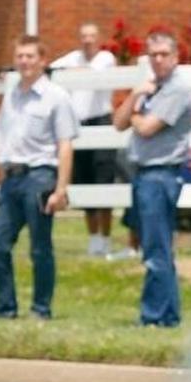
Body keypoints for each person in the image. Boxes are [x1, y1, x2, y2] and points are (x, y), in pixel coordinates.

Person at [0, 35, 78, 320]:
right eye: (20, 56)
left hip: (40, 176)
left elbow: (65, 145)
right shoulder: (11, 95)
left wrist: (60, 189)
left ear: (42, 60)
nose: (24, 61)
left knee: (40, 248)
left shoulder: (56, 97)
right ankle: (5, 307)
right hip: (11, 178)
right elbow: (4, 133)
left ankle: (41, 308)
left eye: (30, 56)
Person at [112, 31, 191, 328]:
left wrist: (134, 115)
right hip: (143, 175)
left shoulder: (177, 90)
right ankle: (168, 315)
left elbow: (146, 128)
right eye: (153, 54)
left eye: (164, 54)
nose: (158, 60)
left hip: (161, 175)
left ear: (175, 57)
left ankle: (153, 316)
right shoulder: (151, 89)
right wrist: (136, 95)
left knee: (156, 250)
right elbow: (118, 122)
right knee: (156, 248)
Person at [51, 22, 118, 257]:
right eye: (84, 36)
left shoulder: (106, 58)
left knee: (104, 181)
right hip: (79, 124)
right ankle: (94, 239)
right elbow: (51, 69)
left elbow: (94, 74)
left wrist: (70, 72)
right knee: (83, 177)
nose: (87, 40)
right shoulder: (73, 58)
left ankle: (107, 239)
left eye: (91, 36)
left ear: (98, 38)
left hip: (101, 121)